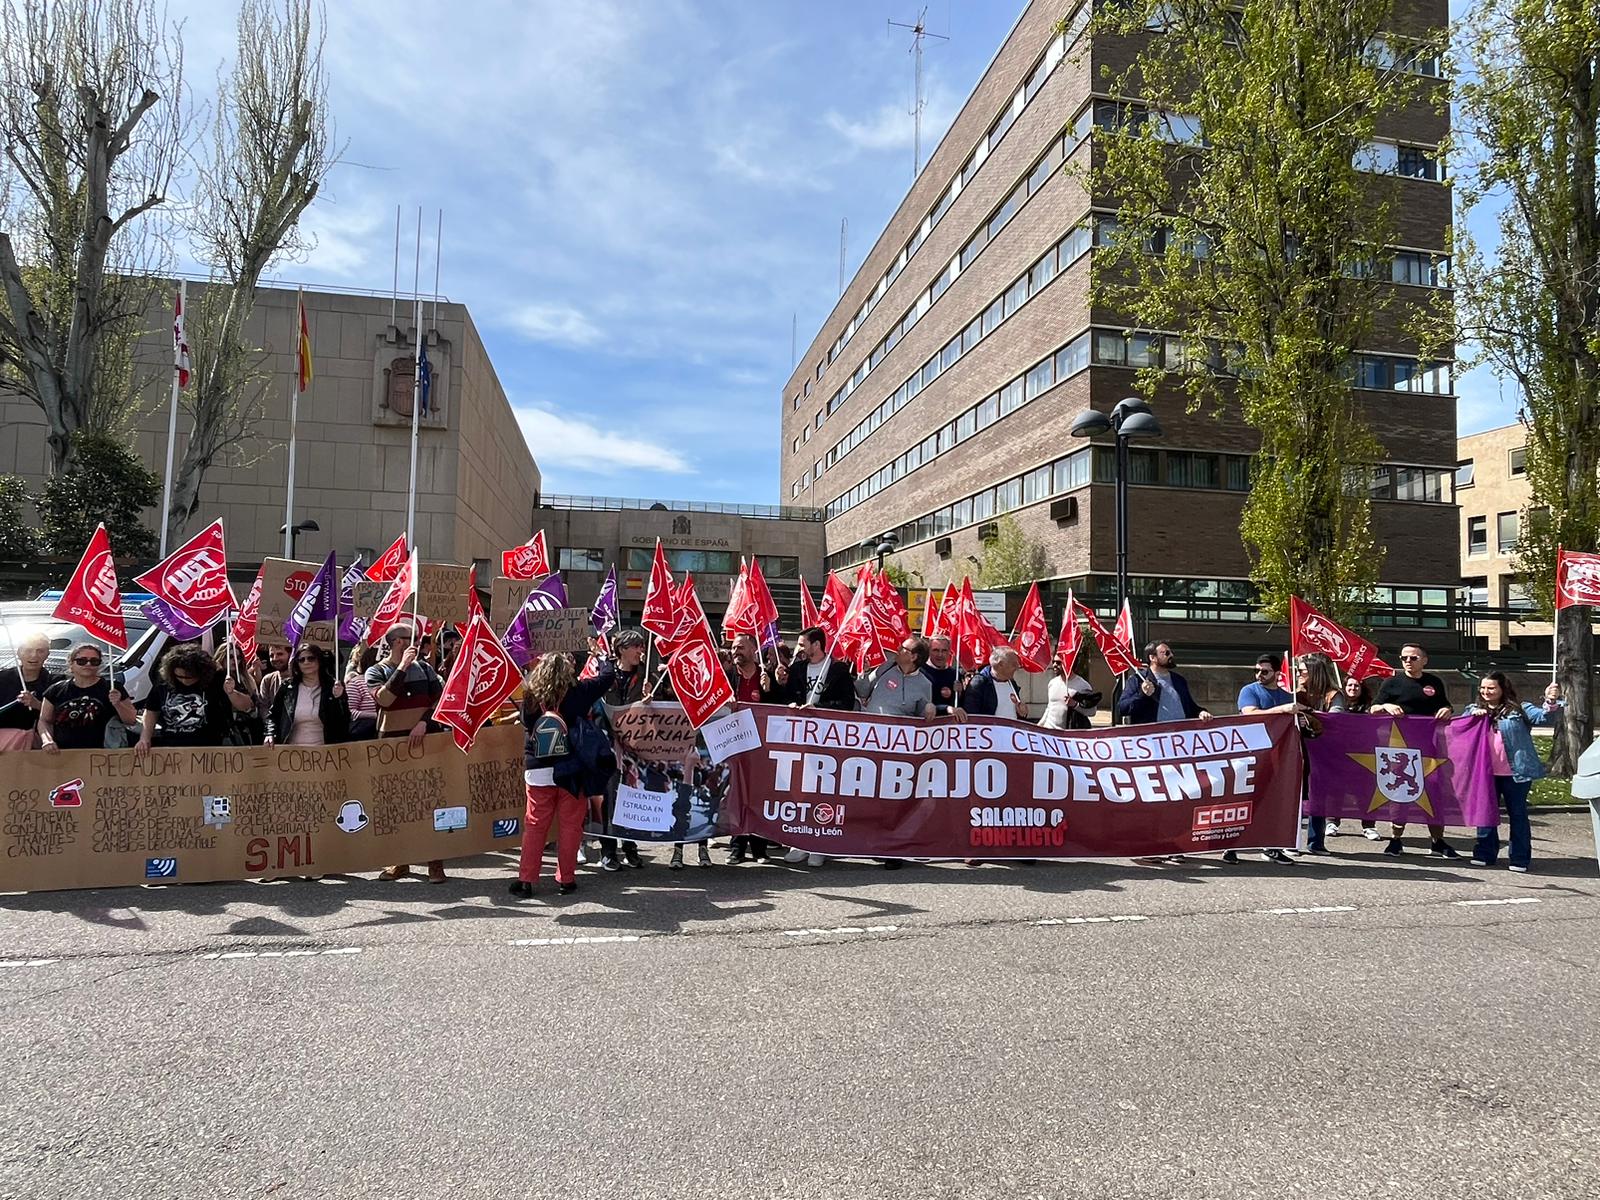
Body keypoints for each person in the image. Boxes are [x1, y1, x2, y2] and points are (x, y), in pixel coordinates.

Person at [510, 650, 617, 898]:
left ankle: (526, 880)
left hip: (538, 768)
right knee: (570, 826)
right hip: (571, 769)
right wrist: (600, 656)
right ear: (569, 671)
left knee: (535, 826)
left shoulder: (532, 694)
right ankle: (566, 879)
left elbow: (527, 722)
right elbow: (607, 678)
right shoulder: (579, 691)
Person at [367, 622, 447, 883]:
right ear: (398, 642)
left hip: (424, 741)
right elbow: (384, 700)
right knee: (395, 803)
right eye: (411, 638)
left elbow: (439, 700)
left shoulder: (426, 669)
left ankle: (435, 861)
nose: (419, 643)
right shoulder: (376, 671)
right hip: (392, 745)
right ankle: (399, 860)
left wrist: (424, 721)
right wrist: (401, 669)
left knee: (429, 800)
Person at [775, 627, 856, 866]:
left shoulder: (838, 670)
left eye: (803, 644)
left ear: (817, 645)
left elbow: (847, 703)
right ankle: (799, 842)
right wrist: (783, 688)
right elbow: (785, 698)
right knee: (800, 789)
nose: (799, 648)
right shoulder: (797, 669)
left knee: (824, 790)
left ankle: (819, 844)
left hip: (828, 739)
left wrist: (819, 709)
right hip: (800, 737)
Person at [1463, 672, 1557, 873]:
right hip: (1485, 773)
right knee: (1485, 814)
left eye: (1491, 688)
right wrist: (1472, 718)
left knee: (1518, 814)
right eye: (1483, 688)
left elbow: (1544, 718)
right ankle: (1485, 853)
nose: (1486, 692)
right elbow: (1459, 730)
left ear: (1502, 689)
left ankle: (1519, 858)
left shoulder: (1520, 709)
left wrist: (1550, 701)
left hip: (1516, 772)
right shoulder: (1473, 709)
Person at [1372, 643, 1459, 858]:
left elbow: (1447, 706)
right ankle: (1395, 840)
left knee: (1433, 791)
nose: (1408, 662)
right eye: (1404, 658)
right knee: (1399, 792)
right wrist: (1386, 707)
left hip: (1429, 745)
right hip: (1399, 748)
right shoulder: (1391, 683)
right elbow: (1373, 709)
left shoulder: (1434, 682)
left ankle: (1437, 841)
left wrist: (1446, 710)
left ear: (1424, 660)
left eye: (1413, 658)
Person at [596, 628, 650, 871]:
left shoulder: (644, 677)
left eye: (641, 646)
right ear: (622, 650)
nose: (641, 651)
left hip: (634, 749)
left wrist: (651, 698)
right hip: (607, 746)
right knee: (608, 798)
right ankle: (608, 851)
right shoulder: (605, 674)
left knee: (631, 798)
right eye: (636, 646)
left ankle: (630, 847)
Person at [135, 645, 250, 755]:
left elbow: (246, 706)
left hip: (210, 749)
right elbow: (151, 710)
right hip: (171, 748)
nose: (185, 681)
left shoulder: (217, 678)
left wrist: (231, 692)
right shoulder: (164, 681)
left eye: (190, 677)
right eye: (180, 677)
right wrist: (145, 738)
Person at [726, 633, 779, 864]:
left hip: (762, 747)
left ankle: (759, 849)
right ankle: (737, 848)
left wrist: (772, 690)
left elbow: (781, 708)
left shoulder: (767, 676)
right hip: (734, 745)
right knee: (736, 796)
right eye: (734, 647)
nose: (736, 651)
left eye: (741, 647)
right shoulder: (727, 677)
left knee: (759, 796)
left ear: (753, 650)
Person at [38, 642, 137, 752]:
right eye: (82, 661)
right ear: (71, 663)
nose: (88, 664)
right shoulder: (56, 690)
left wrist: (118, 704)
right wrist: (47, 741)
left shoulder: (113, 687)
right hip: (63, 754)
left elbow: (131, 720)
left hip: (103, 754)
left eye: (94, 661)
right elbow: (45, 720)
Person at [266, 645, 351, 746]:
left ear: (319, 660)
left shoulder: (333, 687)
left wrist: (340, 698)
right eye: (301, 660)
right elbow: (273, 716)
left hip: (325, 752)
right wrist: (270, 734)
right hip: (291, 753)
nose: (306, 662)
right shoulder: (287, 688)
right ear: (297, 664)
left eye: (311, 658)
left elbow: (344, 721)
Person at [1328, 674, 1380, 840]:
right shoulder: (1336, 703)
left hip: (1364, 753)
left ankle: (1369, 826)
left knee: (1365, 791)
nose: (1353, 689)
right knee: (1336, 790)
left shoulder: (1369, 706)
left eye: (1356, 686)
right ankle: (1332, 822)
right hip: (1339, 752)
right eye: (1349, 686)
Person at [1117, 641, 1213, 726]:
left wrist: (1201, 712)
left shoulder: (1179, 680)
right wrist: (1142, 695)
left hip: (1180, 735)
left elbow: (1191, 707)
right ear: (1152, 658)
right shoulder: (1137, 680)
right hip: (1154, 738)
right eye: (1166, 653)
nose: (1171, 655)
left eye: (1171, 652)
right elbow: (1122, 708)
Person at [856, 634, 936, 718]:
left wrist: (929, 707)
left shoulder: (924, 684)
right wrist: (865, 673)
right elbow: (862, 692)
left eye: (902, 648)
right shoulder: (886, 666)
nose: (898, 649)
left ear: (913, 657)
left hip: (896, 729)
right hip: (870, 727)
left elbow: (922, 718)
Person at [0, 631, 54, 751]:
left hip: (37, 749)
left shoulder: (55, 682)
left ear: (47, 654)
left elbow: (61, 716)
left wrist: (38, 705)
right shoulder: (2, 678)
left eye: (40, 651)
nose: (34, 655)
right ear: (19, 653)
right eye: (28, 650)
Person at [215, 643, 263, 745]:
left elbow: (251, 706)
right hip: (224, 734)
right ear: (221, 657)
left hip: (247, 732)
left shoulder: (245, 678)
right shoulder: (214, 678)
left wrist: (232, 692)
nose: (235, 660)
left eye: (238, 657)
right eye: (230, 657)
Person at [964, 646, 1030, 720]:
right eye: (1014, 664)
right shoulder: (979, 683)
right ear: (1000, 664)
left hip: (1011, 730)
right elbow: (972, 715)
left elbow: (1017, 715)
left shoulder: (1012, 683)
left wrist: (1022, 713)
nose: (1017, 668)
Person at [1039, 662, 1097, 730]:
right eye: (1053, 662)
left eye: (1058, 663)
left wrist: (1075, 705)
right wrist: (1039, 725)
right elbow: (1050, 707)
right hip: (1049, 732)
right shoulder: (1052, 683)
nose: (1054, 665)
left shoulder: (1083, 685)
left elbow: (1092, 712)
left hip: (1068, 735)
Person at [344, 644, 379, 740]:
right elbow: (350, 712)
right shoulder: (356, 683)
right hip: (364, 735)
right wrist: (376, 716)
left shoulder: (391, 682)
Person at [924, 634, 960, 715]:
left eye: (944, 650)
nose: (940, 654)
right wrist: (946, 708)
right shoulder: (920, 671)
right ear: (929, 651)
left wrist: (960, 693)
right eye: (936, 650)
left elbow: (960, 705)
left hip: (948, 725)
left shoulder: (955, 674)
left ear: (949, 652)